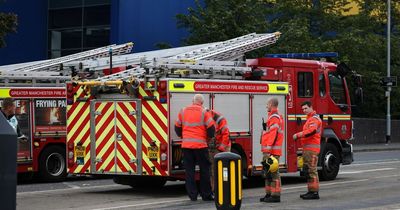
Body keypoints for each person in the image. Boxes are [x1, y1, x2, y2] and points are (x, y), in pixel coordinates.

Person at [175, 94, 216, 201]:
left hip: (186, 146)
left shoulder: (183, 111)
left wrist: (183, 136)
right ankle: (206, 194)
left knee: (189, 171)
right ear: (202, 103)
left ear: (192, 101)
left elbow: (177, 127)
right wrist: (208, 138)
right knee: (204, 170)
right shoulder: (204, 112)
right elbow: (212, 129)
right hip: (201, 146)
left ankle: (192, 195)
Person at [293, 101, 322, 200]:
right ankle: (311, 191)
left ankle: (314, 193)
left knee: (311, 170)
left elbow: (311, 131)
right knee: (309, 171)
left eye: (306, 108)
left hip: (311, 150)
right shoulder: (310, 119)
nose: (304, 111)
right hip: (308, 149)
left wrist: (298, 135)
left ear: (311, 107)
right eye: (303, 109)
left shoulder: (314, 119)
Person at [259, 98, 284, 203]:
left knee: (274, 174)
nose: (266, 106)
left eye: (267, 104)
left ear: (271, 104)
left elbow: (273, 134)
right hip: (270, 151)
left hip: (272, 152)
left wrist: (268, 148)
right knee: (268, 174)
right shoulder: (272, 117)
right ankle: (269, 194)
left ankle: (275, 195)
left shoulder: (274, 118)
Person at [208, 109, 230, 192]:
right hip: (213, 148)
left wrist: (221, 149)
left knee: (224, 169)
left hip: (221, 148)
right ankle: (214, 189)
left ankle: (224, 188)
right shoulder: (207, 118)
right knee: (212, 169)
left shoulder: (220, 120)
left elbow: (225, 134)